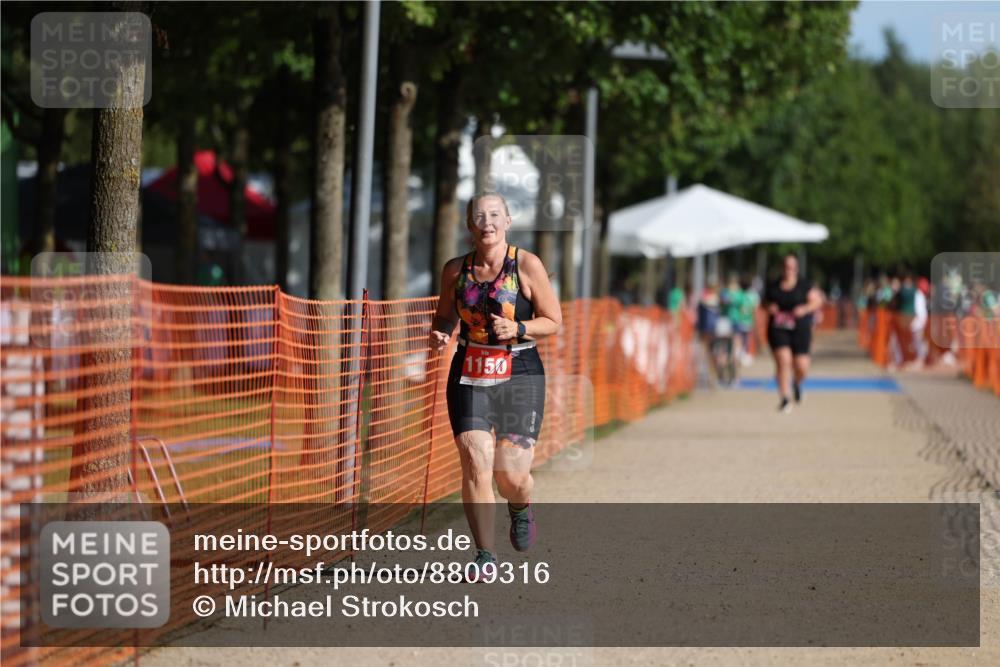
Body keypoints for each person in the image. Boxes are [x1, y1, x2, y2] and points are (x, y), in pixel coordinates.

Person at [428, 191, 562, 580]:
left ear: (507, 221)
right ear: (469, 224)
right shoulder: (455, 270)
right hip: (470, 369)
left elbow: (553, 321)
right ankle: (485, 555)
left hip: (519, 369)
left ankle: (520, 505)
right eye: (478, 216)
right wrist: (441, 332)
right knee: (475, 459)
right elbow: (444, 316)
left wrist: (518, 326)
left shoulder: (526, 264)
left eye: (494, 215)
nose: (486, 222)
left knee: (511, 475)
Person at [763, 254, 824, 413]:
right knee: (784, 361)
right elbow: (764, 303)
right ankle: (785, 398)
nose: (788, 270)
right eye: (785, 266)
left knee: (801, 366)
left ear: (796, 269)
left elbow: (817, 301)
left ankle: (797, 383)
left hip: (800, 329)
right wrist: (769, 307)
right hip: (778, 328)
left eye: (791, 267)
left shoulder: (804, 285)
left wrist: (804, 309)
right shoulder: (773, 286)